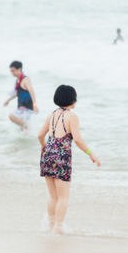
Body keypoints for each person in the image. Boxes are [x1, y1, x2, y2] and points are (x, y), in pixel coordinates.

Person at [38, 85, 101, 234]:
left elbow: (40, 136)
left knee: (53, 196)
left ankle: (50, 226)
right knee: (63, 197)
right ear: (71, 99)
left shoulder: (51, 115)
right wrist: (91, 153)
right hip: (62, 158)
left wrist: (44, 147)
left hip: (47, 155)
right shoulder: (72, 116)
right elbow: (77, 140)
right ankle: (58, 229)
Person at [3, 61, 38, 130]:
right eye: (11, 71)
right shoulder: (18, 80)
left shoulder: (25, 79)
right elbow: (17, 93)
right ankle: (28, 130)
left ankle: (28, 127)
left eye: (13, 71)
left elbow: (32, 91)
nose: (12, 73)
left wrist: (35, 105)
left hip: (27, 108)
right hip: (21, 107)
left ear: (19, 69)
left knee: (11, 116)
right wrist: (8, 100)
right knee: (22, 131)